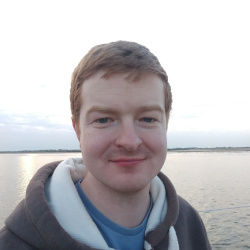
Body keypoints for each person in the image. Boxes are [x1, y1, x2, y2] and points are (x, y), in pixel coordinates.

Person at [0, 41, 211, 250]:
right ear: (78, 130)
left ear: (165, 125)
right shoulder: (13, 243)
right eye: (103, 120)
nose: (129, 141)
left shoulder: (187, 222)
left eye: (147, 119)